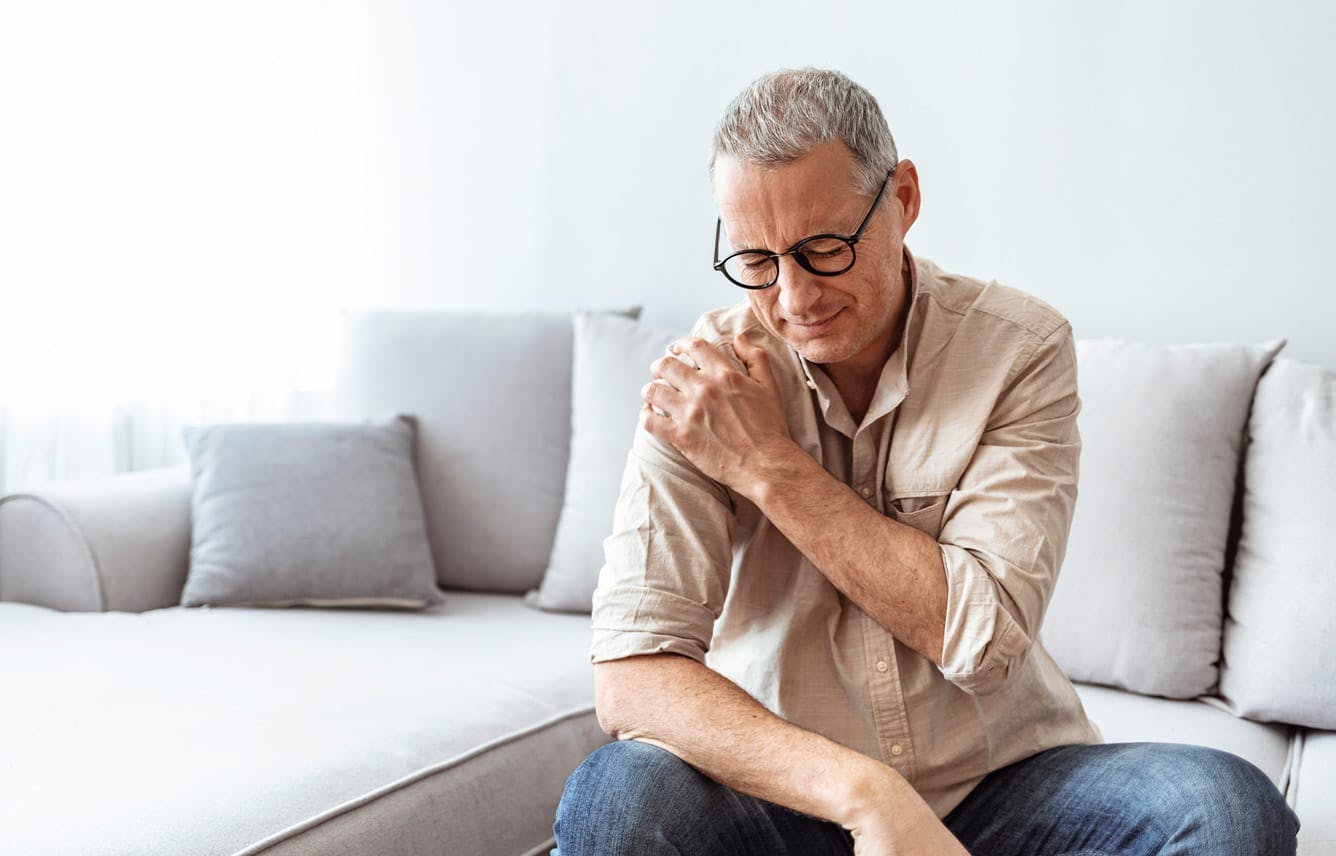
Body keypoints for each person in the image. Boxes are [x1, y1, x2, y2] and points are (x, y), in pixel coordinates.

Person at [550, 67, 1300, 856]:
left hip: (1002, 784)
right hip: (784, 792)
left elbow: (985, 640)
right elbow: (632, 676)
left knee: (1222, 806)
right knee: (617, 798)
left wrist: (769, 465)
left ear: (903, 198)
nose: (794, 298)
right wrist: (866, 795)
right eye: (757, 261)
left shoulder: (1019, 349)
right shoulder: (705, 385)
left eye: (824, 248)